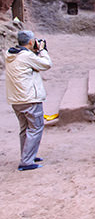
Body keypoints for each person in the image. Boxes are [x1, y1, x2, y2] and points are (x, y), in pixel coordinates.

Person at [5, 30, 52, 171]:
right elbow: (46, 64)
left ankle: (28, 155)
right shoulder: (26, 56)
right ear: (31, 42)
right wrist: (43, 51)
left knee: (25, 129)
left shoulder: (11, 54)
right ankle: (26, 161)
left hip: (16, 99)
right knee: (36, 127)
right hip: (29, 98)